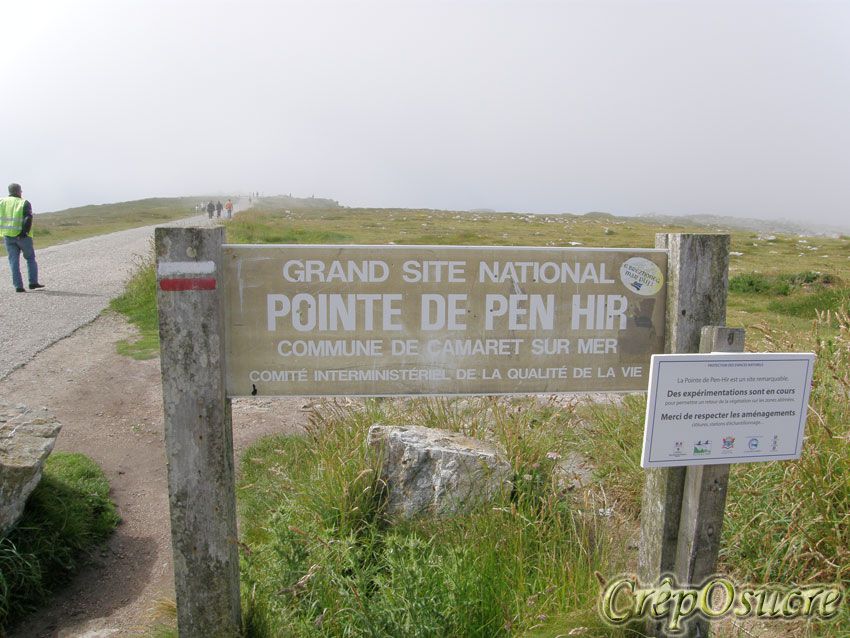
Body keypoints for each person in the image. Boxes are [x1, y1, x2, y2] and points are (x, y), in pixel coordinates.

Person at [1, 183, 44, 293]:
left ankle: (18, 286)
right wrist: (24, 233)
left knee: (13, 261)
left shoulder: (1, 202)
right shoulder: (24, 202)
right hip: (23, 237)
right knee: (30, 258)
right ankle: (33, 282)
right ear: (18, 191)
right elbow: (28, 218)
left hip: (7, 236)